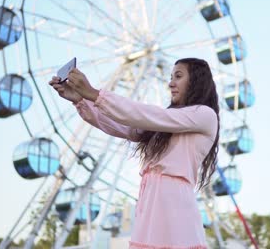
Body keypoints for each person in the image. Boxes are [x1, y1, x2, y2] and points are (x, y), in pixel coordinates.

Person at [49, 58, 219, 249]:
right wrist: (81, 99)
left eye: (178, 76)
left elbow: (144, 114)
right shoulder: (162, 126)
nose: (171, 83)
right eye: (171, 77)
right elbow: (123, 125)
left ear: (197, 80)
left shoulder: (205, 115)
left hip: (174, 204)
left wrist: (94, 94)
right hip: (149, 203)